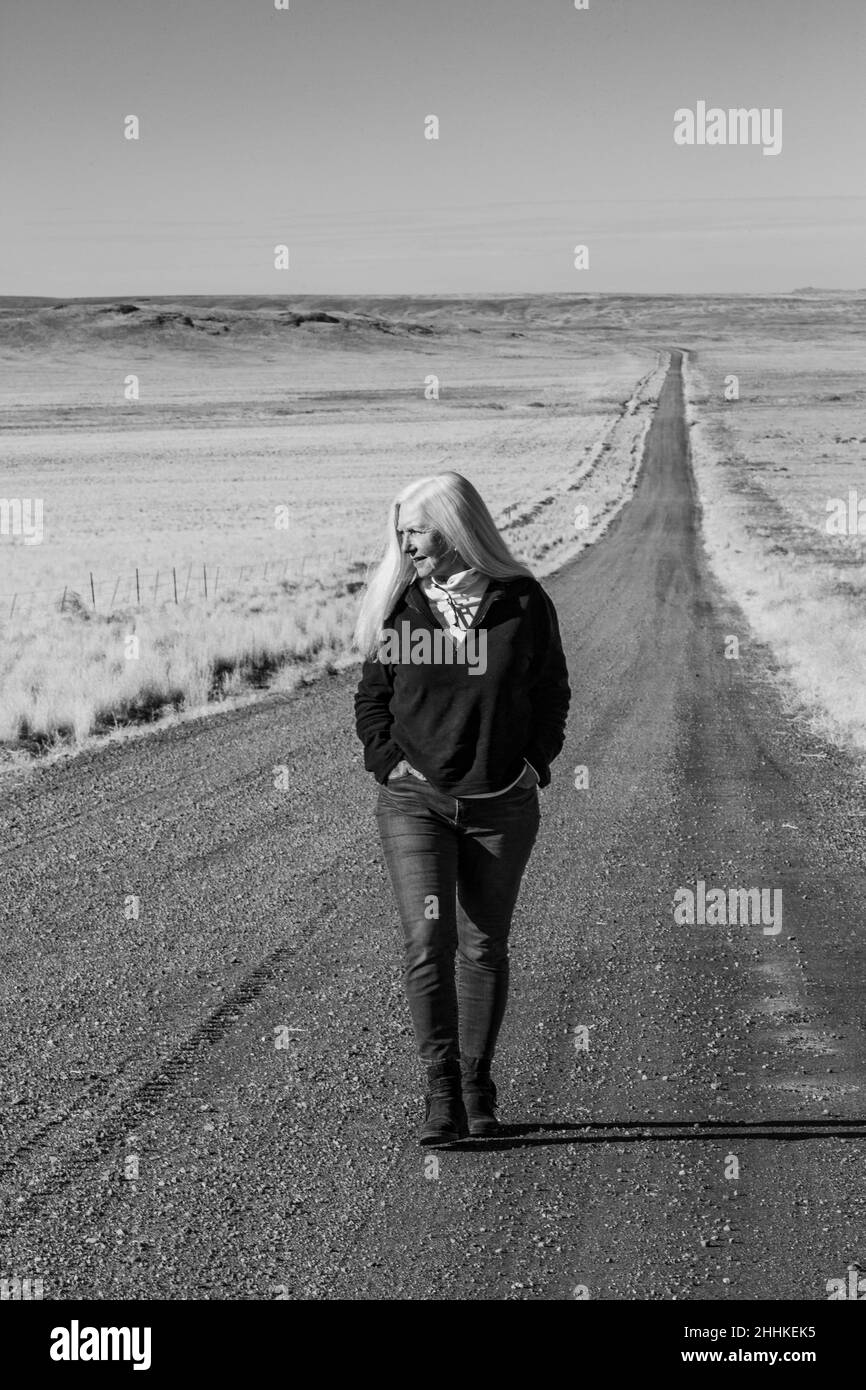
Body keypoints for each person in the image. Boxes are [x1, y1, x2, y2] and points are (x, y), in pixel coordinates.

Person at [353, 472, 570, 1146]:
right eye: (401, 531)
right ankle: (440, 1087)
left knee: (483, 945)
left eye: (416, 528)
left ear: (454, 526)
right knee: (428, 942)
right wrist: (389, 763)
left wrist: (535, 762)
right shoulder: (402, 604)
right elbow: (371, 700)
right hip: (415, 803)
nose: (405, 542)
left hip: (501, 804)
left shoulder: (520, 602)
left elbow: (553, 690)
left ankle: (478, 1083)